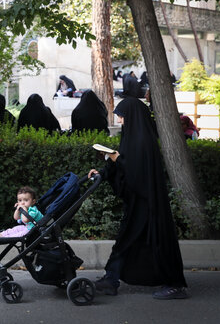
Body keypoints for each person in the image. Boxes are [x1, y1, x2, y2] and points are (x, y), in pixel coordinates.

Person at [88, 97, 188, 300]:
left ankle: (176, 284)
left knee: (156, 241)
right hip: (137, 203)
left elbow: (134, 169)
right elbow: (123, 162)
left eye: (122, 116)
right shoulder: (132, 137)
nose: (120, 120)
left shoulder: (143, 140)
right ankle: (111, 279)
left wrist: (117, 159)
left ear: (132, 116)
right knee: (128, 241)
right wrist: (104, 171)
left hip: (148, 204)